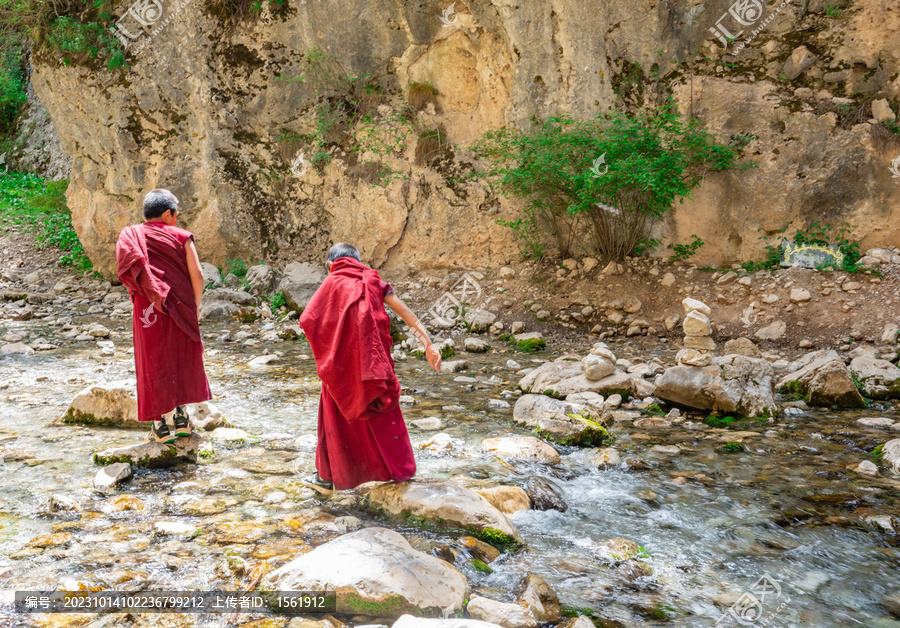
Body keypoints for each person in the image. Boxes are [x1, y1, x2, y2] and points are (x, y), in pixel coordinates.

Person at [299, 243, 441, 495]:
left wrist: (330, 356)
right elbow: (406, 312)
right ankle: (402, 472)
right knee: (384, 417)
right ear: (357, 261)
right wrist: (428, 344)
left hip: (339, 371)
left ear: (331, 266)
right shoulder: (372, 281)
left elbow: (309, 319)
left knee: (333, 422)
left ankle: (326, 478)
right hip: (375, 367)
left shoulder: (331, 282)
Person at [115, 189, 211, 443]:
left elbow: (129, 272)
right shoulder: (182, 237)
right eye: (176, 214)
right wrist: (194, 306)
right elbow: (197, 275)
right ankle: (181, 418)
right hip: (180, 305)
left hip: (147, 310)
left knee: (152, 360)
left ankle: (159, 426)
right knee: (180, 355)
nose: (177, 219)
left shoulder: (131, 236)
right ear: (168, 213)